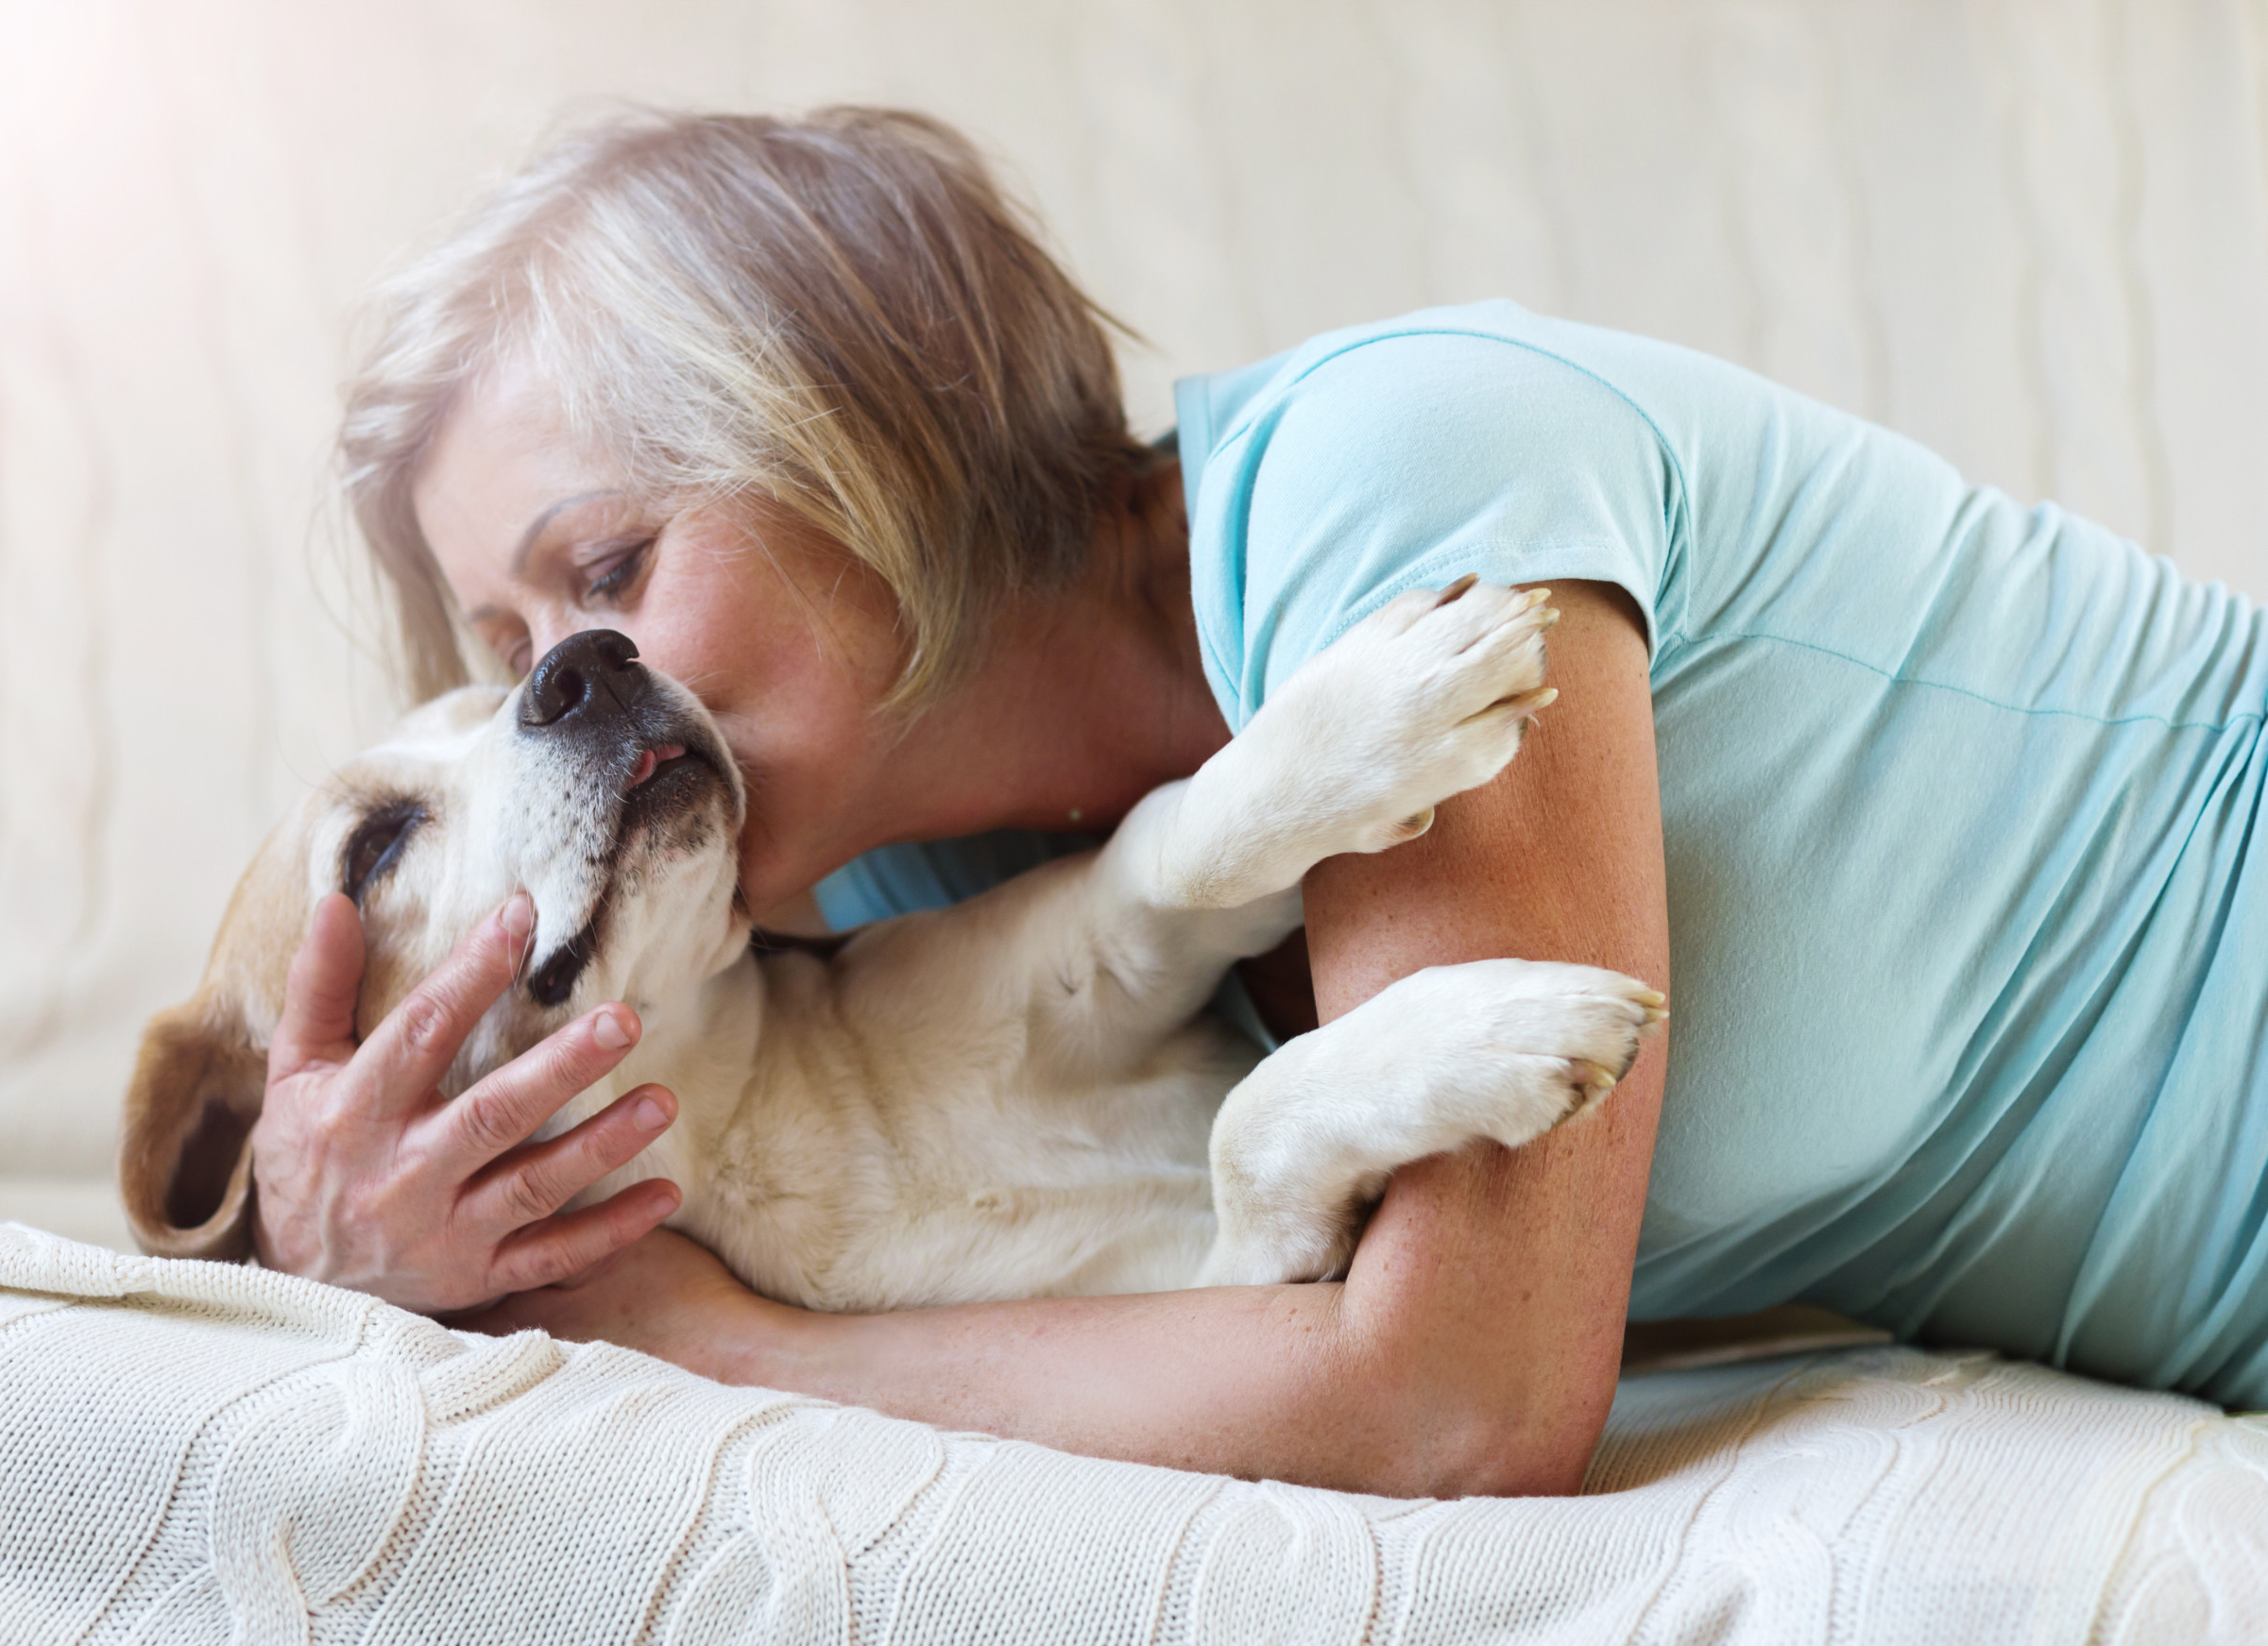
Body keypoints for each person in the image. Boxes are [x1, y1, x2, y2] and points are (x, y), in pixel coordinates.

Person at [247, 107, 2268, 1500]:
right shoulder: (876, 893)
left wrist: (714, 1350)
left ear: (867, 432)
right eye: (512, 643)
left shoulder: (1391, 480)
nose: (562, 697)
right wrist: (344, 1246)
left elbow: (1457, 1396)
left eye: (605, 573)